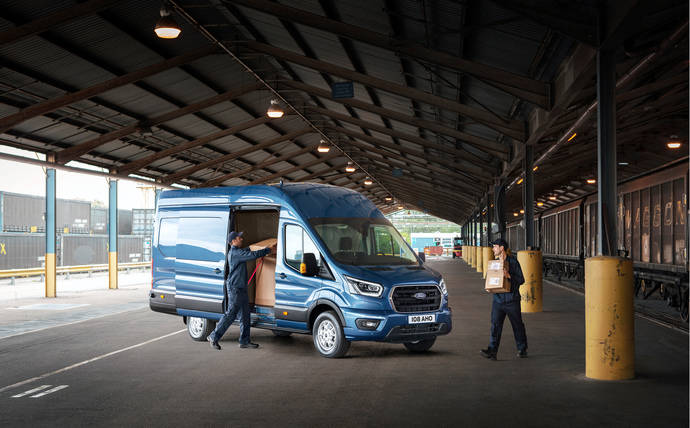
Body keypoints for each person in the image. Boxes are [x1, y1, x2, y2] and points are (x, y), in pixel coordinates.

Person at [207, 231, 277, 350]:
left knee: (245, 315)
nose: (242, 239)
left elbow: (248, 250)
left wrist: (259, 247)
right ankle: (214, 336)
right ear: (233, 241)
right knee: (230, 314)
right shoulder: (235, 253)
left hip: (241, 288)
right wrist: (268, 250)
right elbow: (252, 255)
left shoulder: (238, 252)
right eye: (239, 238)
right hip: (235, 289)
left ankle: (244, 341)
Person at [480, 238, 528, 360]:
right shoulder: (494, 263)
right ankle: (492, 351)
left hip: (512, 300)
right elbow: (489, 278)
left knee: (517, 325)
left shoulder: (513, 262)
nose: (493, 249)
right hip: (498, 300)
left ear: (502, 248)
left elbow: (521, 280)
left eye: (495, 246)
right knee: (495, 326)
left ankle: (522, 348)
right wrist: (489, 287)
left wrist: (509, 276)